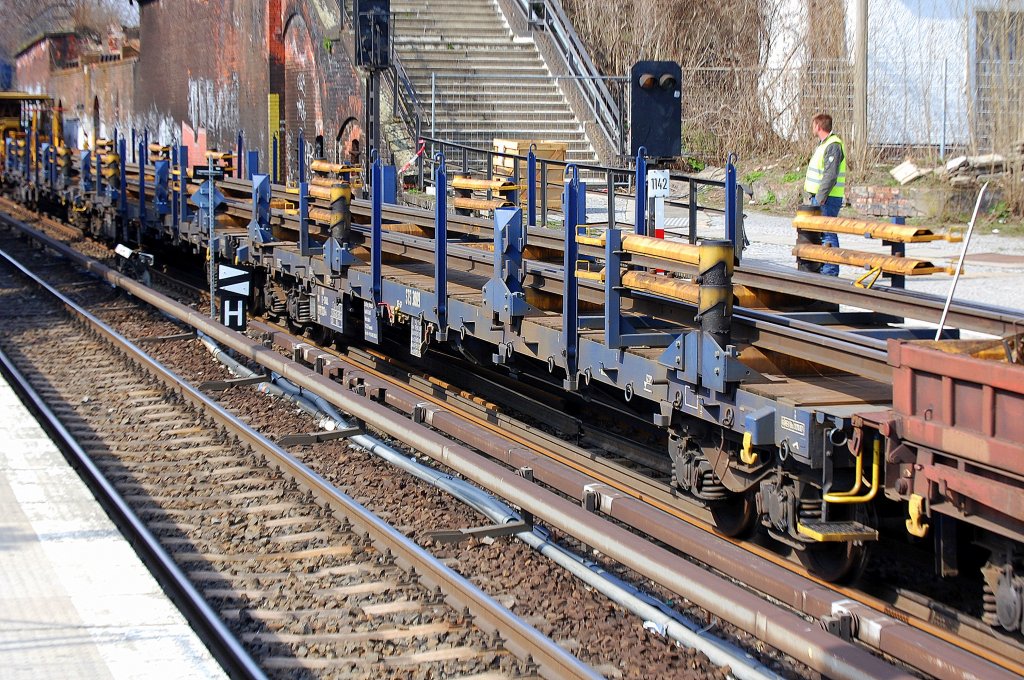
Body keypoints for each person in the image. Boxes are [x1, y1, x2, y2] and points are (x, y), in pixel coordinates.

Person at [803, 113, 846, 276]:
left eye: (813, 125)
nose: (812, 128)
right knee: (821, 233)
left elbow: (830, 175)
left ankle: (831, 269)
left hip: (827, 198)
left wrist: (820, 198)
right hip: (822, 197)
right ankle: (824, 266)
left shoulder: (833, 145)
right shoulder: (824, 144)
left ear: (818, 127)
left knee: (828, 232)